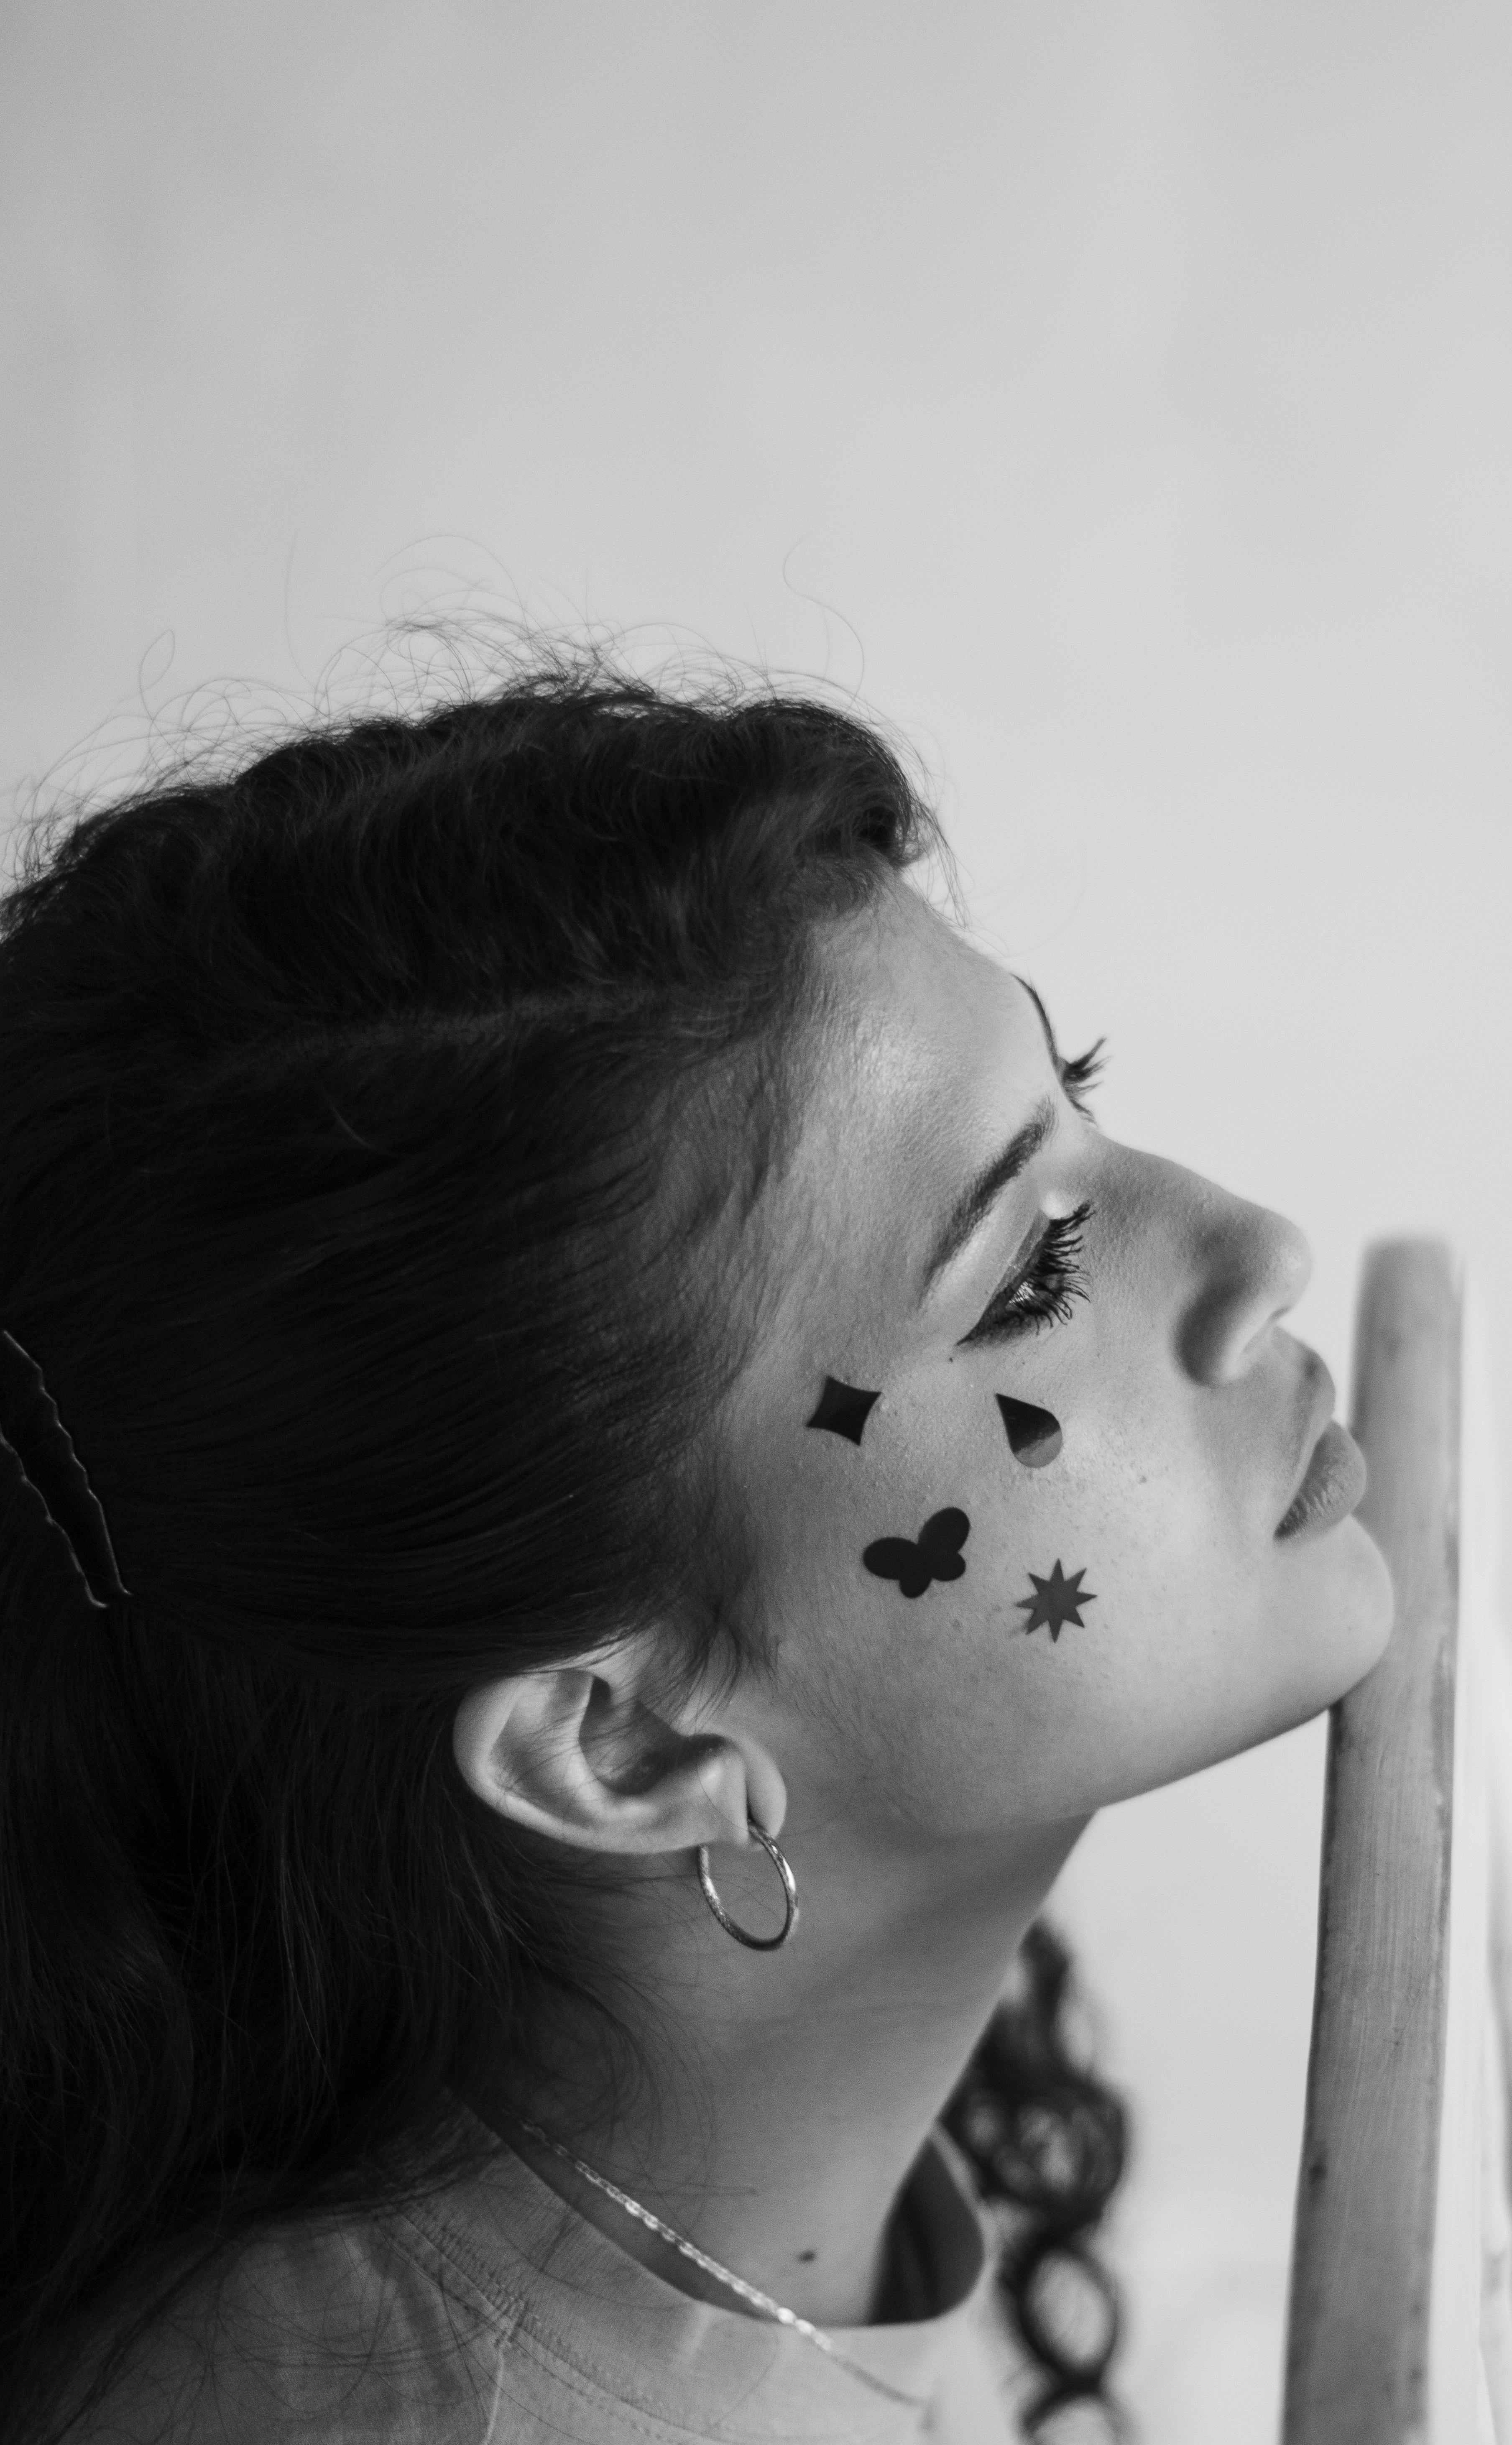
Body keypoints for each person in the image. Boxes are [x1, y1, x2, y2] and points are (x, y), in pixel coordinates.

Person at [0, 650, 1394, 2443]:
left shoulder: (750, 2169)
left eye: (1082, 1099)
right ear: (630, 1739)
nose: (1255, 1247)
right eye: (1029, 1271)